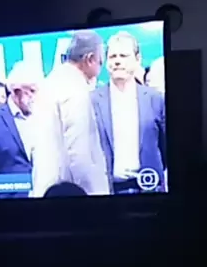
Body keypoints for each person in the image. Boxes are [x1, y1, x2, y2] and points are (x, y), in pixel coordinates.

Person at [32, 30, 110, 197]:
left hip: (47, 189)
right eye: (100, 62)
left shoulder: (49, 82)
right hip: (71, 194)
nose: (101, 68)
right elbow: (80, 152)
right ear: (89, 59)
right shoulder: (75, 89)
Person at [92, 31, 166, 194]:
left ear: (138, 59)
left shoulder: (155, 99)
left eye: (123, 56)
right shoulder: (92, 101)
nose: (117, 61)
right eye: (113, 56)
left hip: (149, 189)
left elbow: (166, 146)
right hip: (108, 191)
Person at [0, 61, 39, 176]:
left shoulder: (42, 115)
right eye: (31, 91)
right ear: (16, 91)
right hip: (11, 187)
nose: (35, 96)